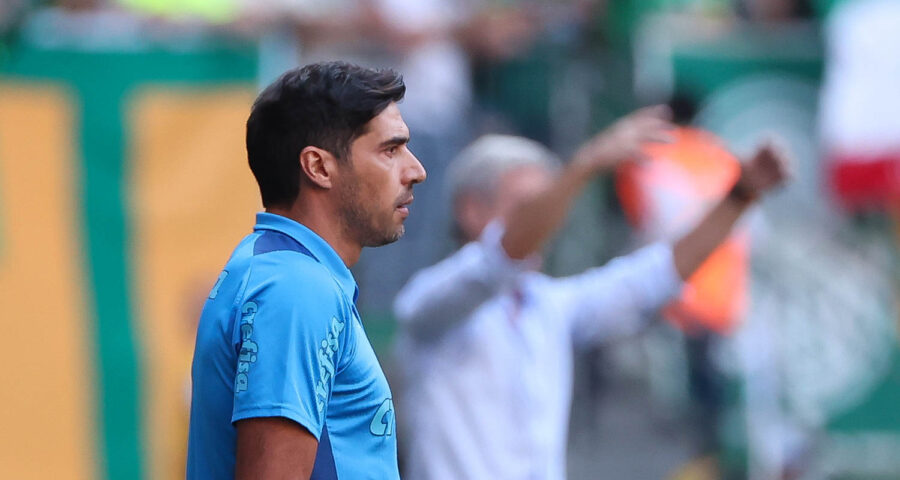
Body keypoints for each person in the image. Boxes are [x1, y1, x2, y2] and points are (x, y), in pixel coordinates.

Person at [393, 106, 789, 480]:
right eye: (530, 206)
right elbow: (501, 255)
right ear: (471, 210)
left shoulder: (549, 304)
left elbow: (656, 275)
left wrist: (741, 196)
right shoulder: (429, 301)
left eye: (550, 205)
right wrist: (585, 165)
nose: (547, 222)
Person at [187, 61, 426, 479]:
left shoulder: (274, 267)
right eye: (390, 150)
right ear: (318, 167)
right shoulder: (297, 289)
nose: (415, 171)